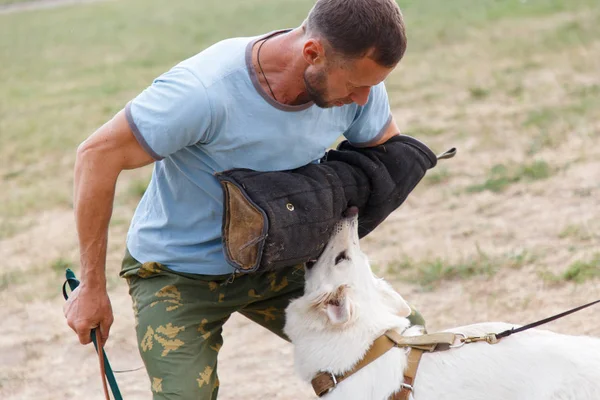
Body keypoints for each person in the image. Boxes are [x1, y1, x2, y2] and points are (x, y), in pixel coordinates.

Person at [64, 0, 422, 398]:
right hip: (180, 273)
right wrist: (91, 287)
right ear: (312, 53)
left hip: (284, 257)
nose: (362, 99)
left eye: (372, 85)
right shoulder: (204, 92)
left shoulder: (359, 85)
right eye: (356, 85)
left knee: (400, 349)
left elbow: (385, 153)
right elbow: (96, 156)